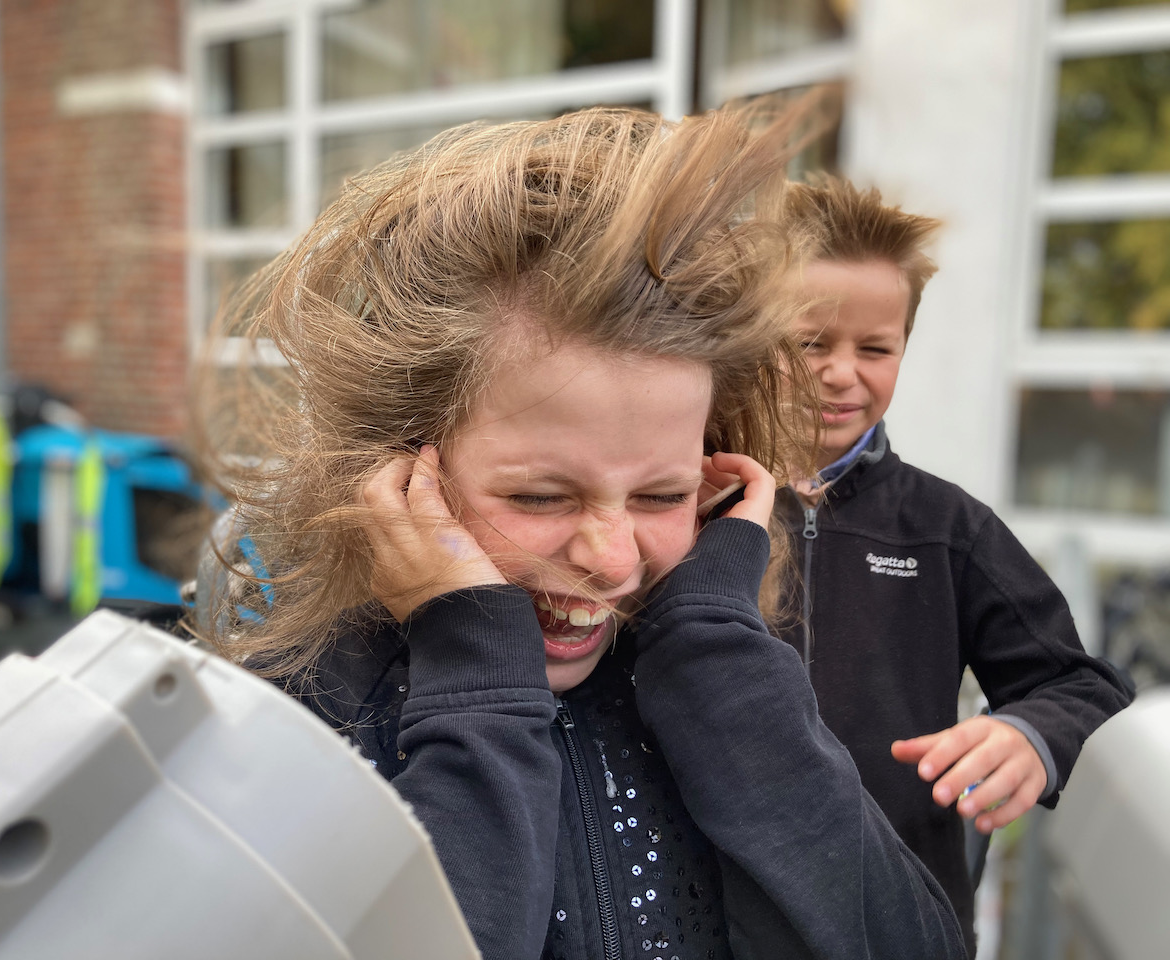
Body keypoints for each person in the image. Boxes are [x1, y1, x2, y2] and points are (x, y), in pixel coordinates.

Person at [197, 106, 967, 960]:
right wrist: (479, 690)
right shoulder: (300, 715)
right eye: (538, 497)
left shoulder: (715, 674)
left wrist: (716, 647)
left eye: (662, 494)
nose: (611, 558)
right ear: (396, 471)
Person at [779, 175, 1134, 954]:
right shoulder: (685, 511)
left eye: (876, 348)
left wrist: (1030, 736)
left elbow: (1082, 685)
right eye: (810, 342)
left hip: (903, 929)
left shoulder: (948, 528)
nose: (842, 372)